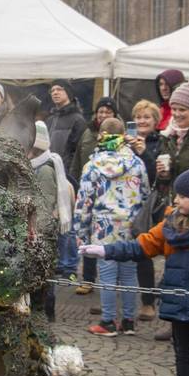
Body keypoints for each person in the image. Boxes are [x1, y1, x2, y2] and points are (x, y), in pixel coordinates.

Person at [81, 167, 189, 376]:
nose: (176, 200)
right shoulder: (169, 224)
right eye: (176, 195)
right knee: (181, 354)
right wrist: (105, 250)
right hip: (176, 301)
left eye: (183, 196)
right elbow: (141, 246)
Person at [74, 117, 148, 337]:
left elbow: (84, 201)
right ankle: (128, 321)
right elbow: (145, 194)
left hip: (103, 227)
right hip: (131, 226)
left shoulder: (92, 166)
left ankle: (107, 321)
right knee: (128, 274)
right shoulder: (136, 163)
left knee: (106, 274)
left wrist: (81, 232)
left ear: (101, 135)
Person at [71, 96, 117, 298]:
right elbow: (77, 158)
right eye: (101, 111)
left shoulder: (118, 136)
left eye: (108, 111)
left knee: (109, 238)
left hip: (110, 197)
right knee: (88, 235)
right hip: (88, 192)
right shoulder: (88, 133)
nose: (104, 114)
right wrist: (74, 181)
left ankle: (111, 281)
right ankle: (88, 279)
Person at [125, 98, 165, 321]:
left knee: (162, 250)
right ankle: (146, 302)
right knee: (142, 251)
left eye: (146, 117)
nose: (141, 121)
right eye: (138, 117)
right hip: (132, 203)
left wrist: (144, 153)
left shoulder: (161, 142)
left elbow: (155, 175)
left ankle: (159, 296)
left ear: (155, 121)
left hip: (155, 202)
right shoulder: (126, 142)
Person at [30, 120, 74, 322]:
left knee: (45, 273)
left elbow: (44, 204)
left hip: (42, 230)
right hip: (37, 228)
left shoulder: (44, 168)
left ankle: (47, 312)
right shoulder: (36, 164)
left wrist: (36, 229)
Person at [47, 80, 86, 282]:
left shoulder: (78, 119)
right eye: (52, 90)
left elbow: (76, 150)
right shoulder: (51, 118)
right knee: (54, 220)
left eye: (59, 89)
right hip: (51, 173)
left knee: (67, 222)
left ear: (68, 92)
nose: (55, 92)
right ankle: (58, 263)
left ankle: (70, 266)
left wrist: (70, 175)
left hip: (68, 176)